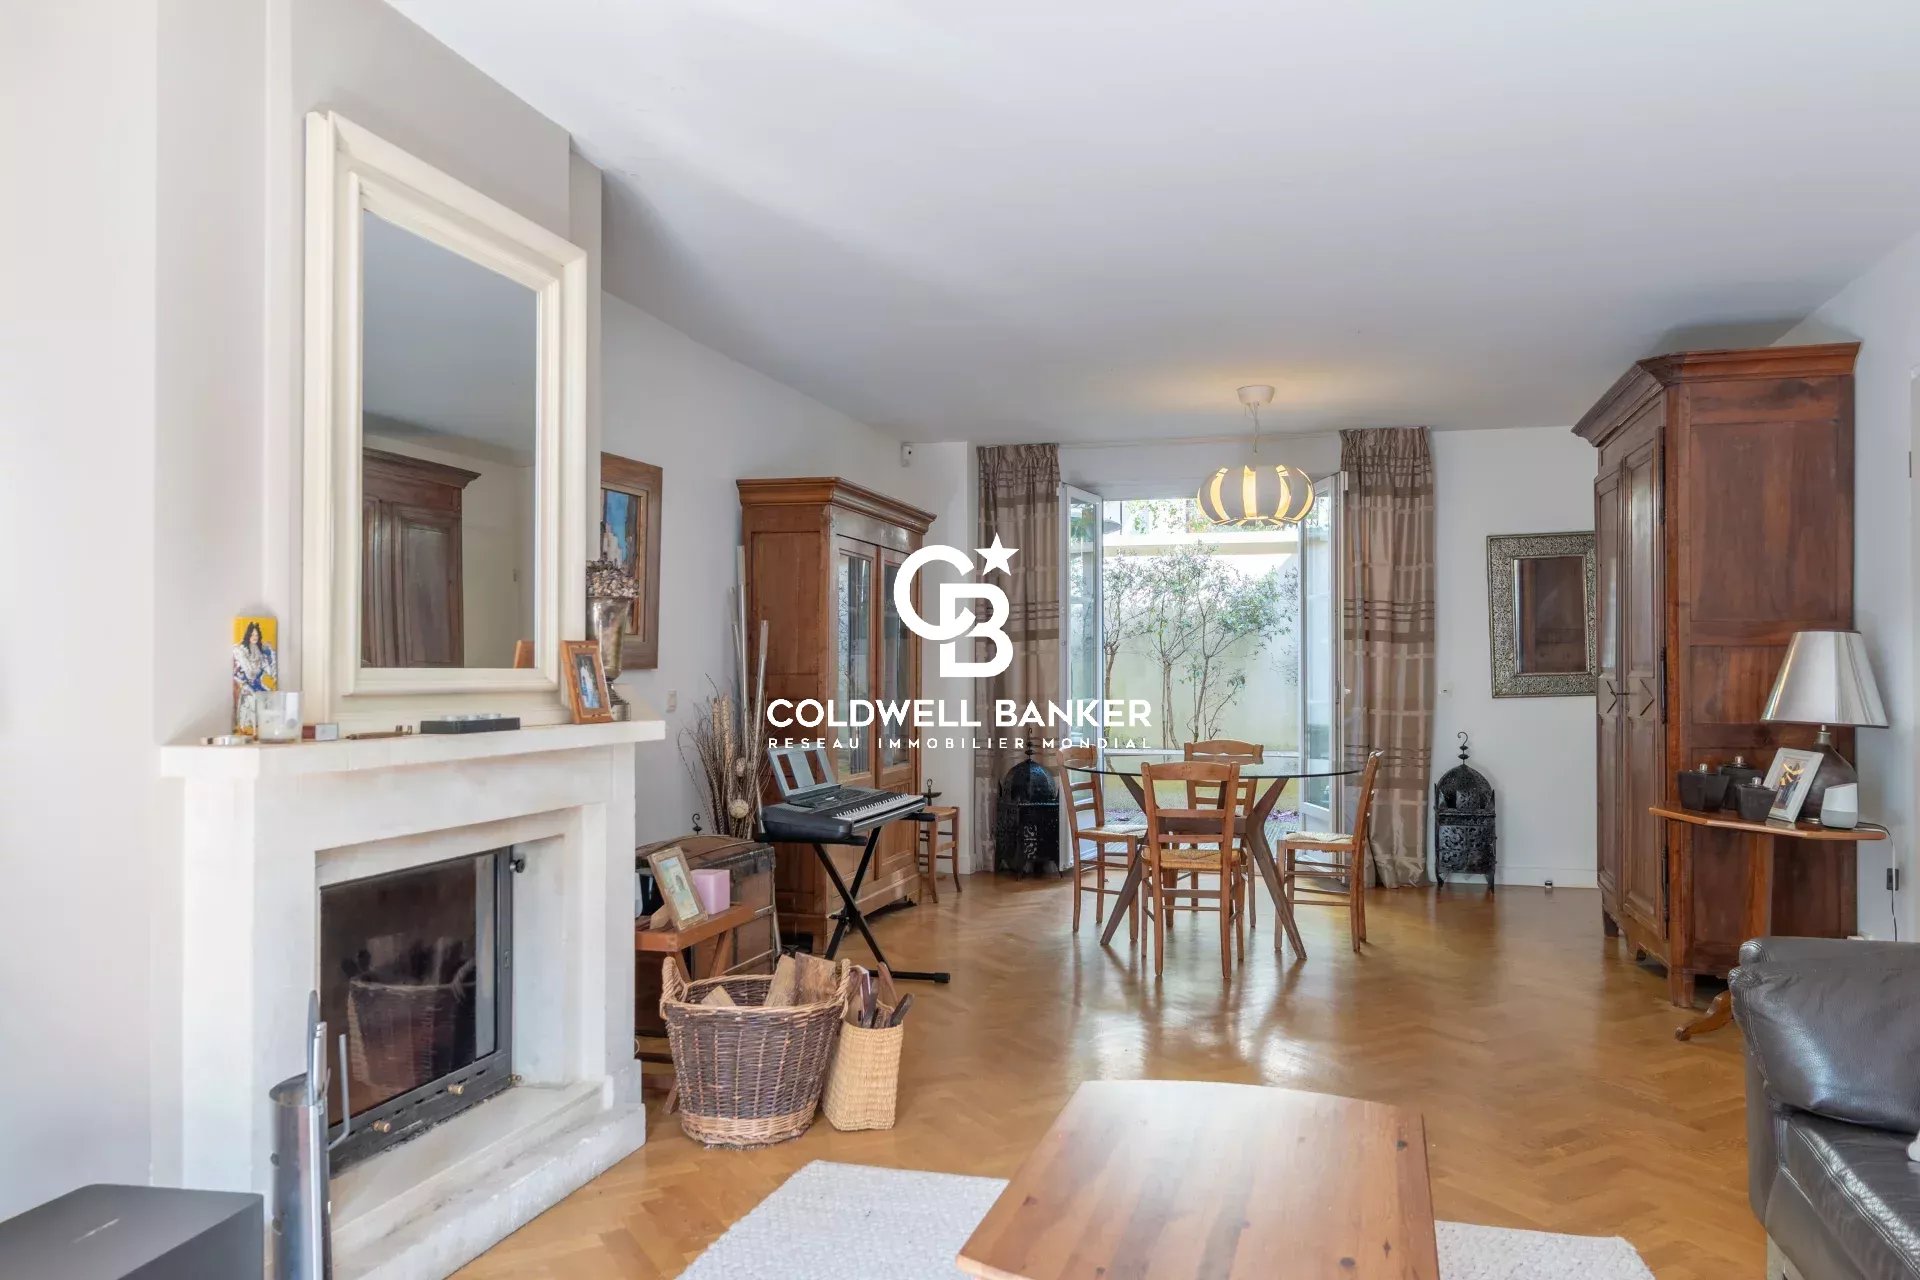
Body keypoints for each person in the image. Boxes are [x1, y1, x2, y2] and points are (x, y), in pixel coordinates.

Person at [232, 620, 277, 734]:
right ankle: (250, 729)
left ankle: (263, 729)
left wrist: (271, 654)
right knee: (253, 700)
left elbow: (269, 671)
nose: (254, 637)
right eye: (252, 634)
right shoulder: (242, 651)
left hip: (258, 683)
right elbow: (249, 673)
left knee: (269, 698)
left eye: (256, 635)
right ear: (248, 635)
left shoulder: (261, 650)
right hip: (248, 684)